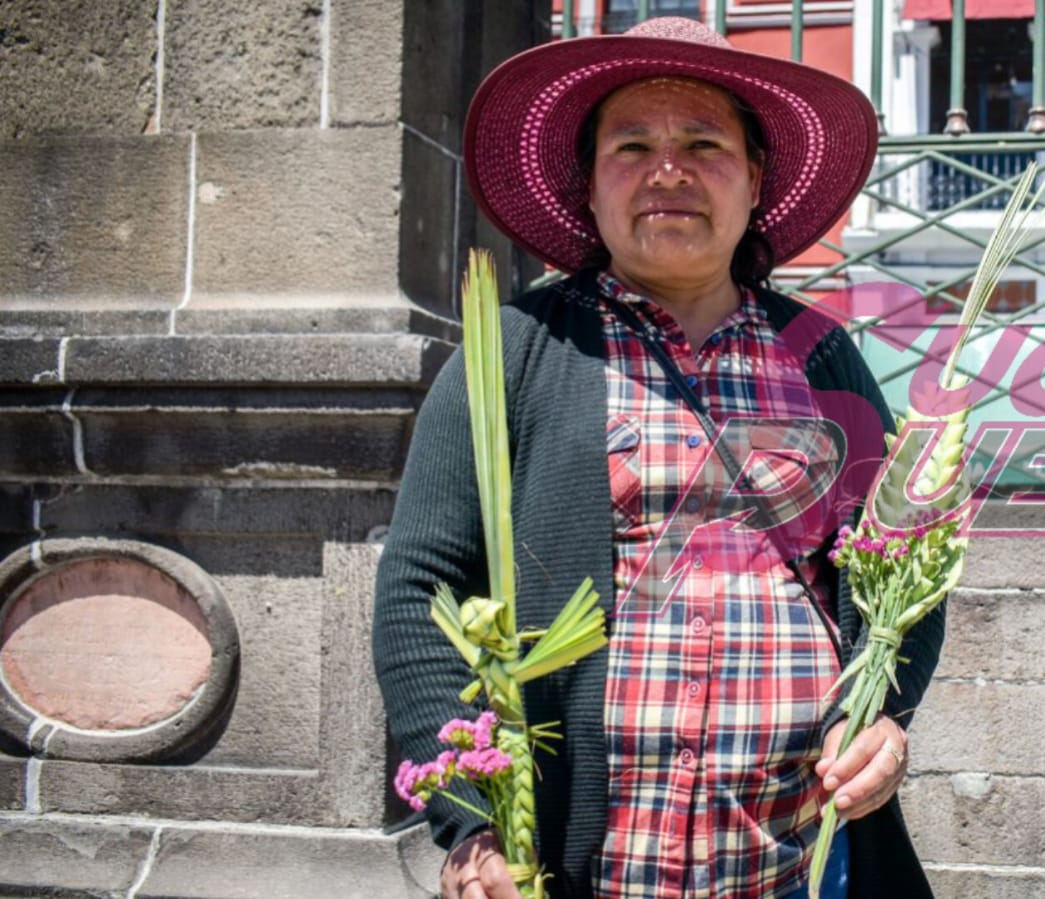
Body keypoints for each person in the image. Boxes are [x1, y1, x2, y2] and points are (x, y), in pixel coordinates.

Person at [372, 17, 944, 899]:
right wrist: (472, 816)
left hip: (797, 862)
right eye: (631, 143)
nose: (667, 169)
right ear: (590, 191)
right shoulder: (513, 353)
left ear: (755, 181)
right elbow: (419, 590)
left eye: (703, 142)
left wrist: (885, 720)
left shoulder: (822, 358)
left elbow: (897, 576)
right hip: (575, 869)